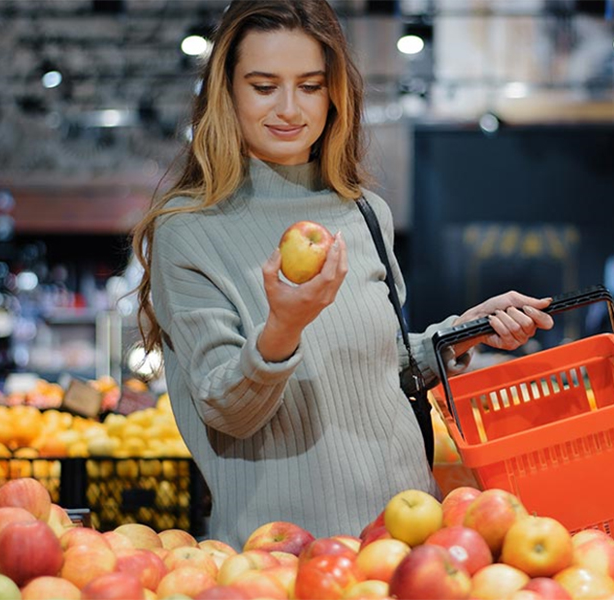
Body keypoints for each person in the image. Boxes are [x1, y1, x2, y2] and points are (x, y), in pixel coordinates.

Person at [131, 0, 554, 548]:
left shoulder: (363, 212)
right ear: (226, 93)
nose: (289, 108)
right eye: (264, 87)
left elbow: (376, 369)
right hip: (284, 558)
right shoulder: (188, 230)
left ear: (335, 94)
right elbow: (226, 409)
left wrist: (459, 334)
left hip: (406, 541)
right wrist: (284, 327)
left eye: (310, 85)